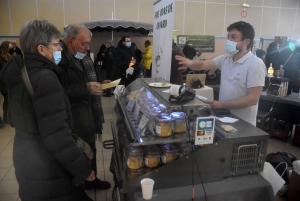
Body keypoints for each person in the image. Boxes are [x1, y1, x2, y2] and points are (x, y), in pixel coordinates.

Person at [0, 20, 95, 201]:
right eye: (56, 44)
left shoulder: (20, 71)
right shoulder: (45, 78)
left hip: (26, 155)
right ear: (42, 49)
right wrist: (82, 168)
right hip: (47, 165)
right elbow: (57, 134)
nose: (60, 48)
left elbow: (14, 118)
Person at [176, 21, 267, 126]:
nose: (229, 40)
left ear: (246, 42)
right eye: (228, 36)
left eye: (234, 37)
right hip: (224, 118)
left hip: (243, 123)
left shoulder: (255, 64)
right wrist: (189, 62)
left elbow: (252, 99)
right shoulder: (225, 59)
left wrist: (223, 105)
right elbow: (202, 65)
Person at [58, 23, 111, 191]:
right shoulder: (60, 60)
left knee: (90, 148)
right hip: (73, 117)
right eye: (84, 43)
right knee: (79, 152)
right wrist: (85, 88)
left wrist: (99, 84)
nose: (87, 48)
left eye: (89, 43)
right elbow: (58, 91)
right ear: (70, 41)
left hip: (87, 112)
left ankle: (91, 180)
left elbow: (86, 80)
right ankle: (79, 185)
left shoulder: (84, 58)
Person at [0, 41, 14, 124]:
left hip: (9, 81)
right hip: (4, 82)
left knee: (9, 100)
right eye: (9, 47)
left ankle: (9, 116)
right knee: (7, 100)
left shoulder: (9, 56)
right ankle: (5, 117)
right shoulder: (1, 58)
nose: (11, 49)